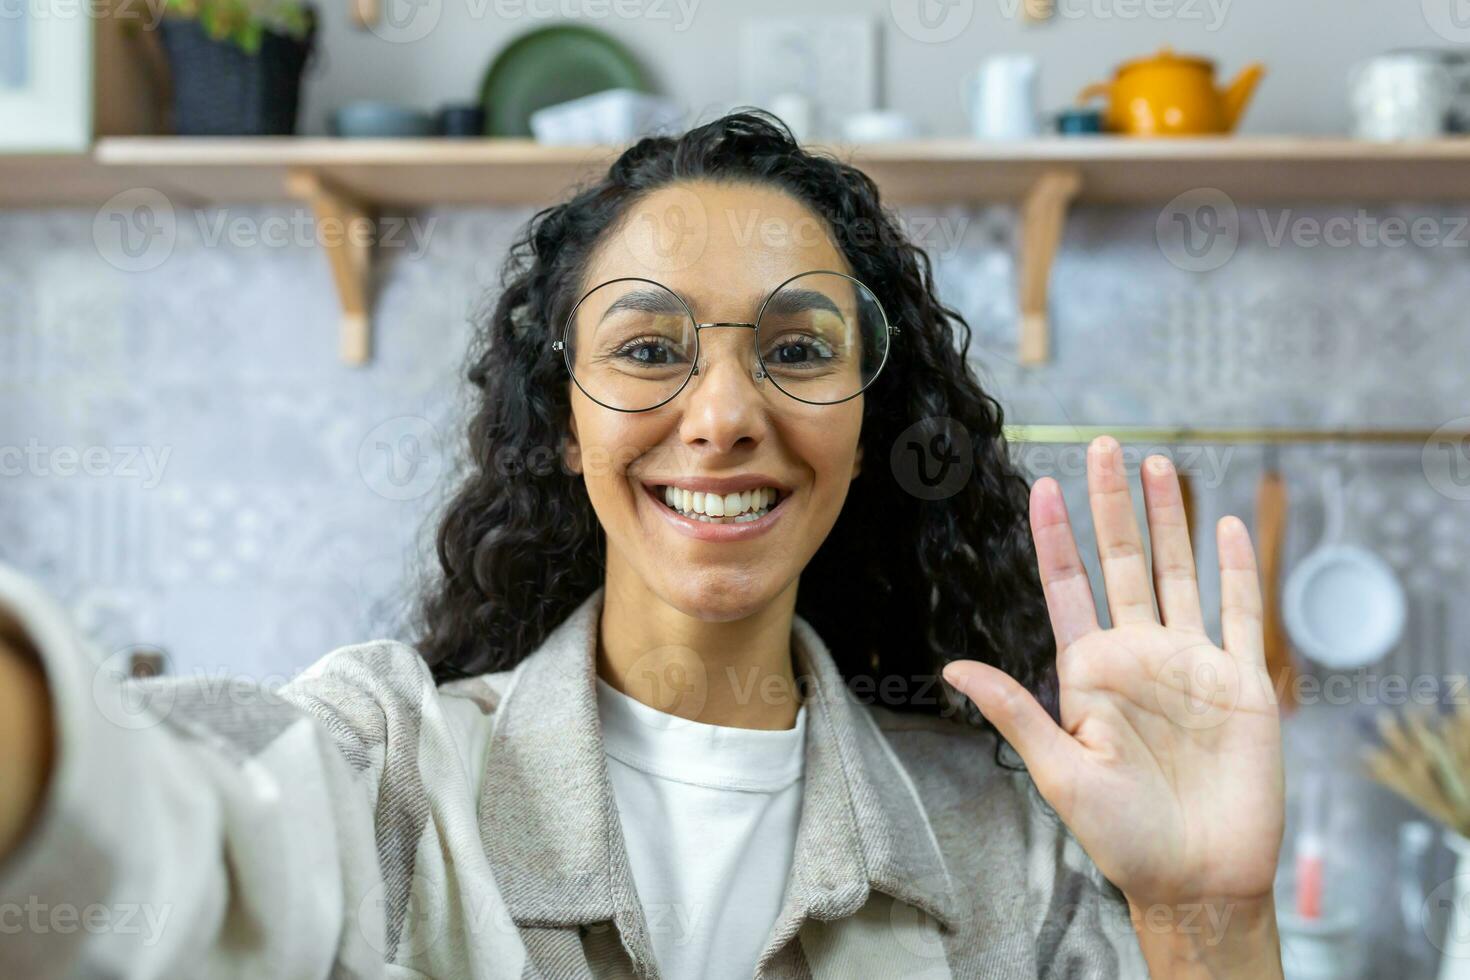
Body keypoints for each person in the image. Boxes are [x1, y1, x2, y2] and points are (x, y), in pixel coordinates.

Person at [0, 111, 1285, 979]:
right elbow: (166, 831)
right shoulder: (393, 772)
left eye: (795, 351)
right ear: (560, 422)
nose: (724, 415)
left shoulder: (1006, 847)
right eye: (651, 350)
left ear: (863, 422)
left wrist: (1209, 918)